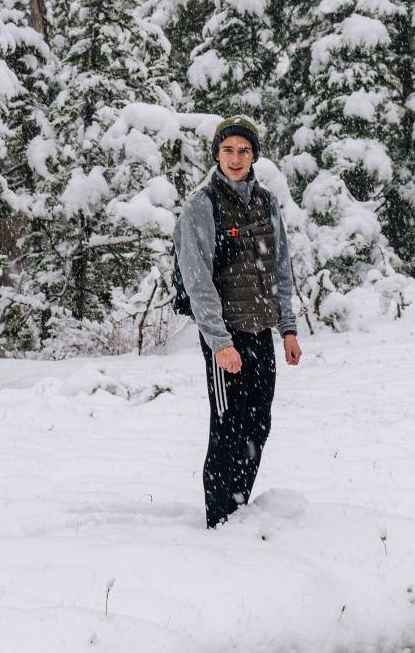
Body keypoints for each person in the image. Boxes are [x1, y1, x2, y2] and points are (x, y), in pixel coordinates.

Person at [173, 115, 303, 528]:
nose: (235, 157)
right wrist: (219, 342)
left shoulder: (265, 202)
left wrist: (288, 330)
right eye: (227, 150)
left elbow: (280, 268)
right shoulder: (202, 206)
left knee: (257, 426)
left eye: (243, 150)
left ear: (254, 156)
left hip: (261, 333)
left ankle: (240, 509)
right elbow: (198, 282)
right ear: (216, 154)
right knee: (227, 432)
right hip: (225, 340)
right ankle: (220, 521)